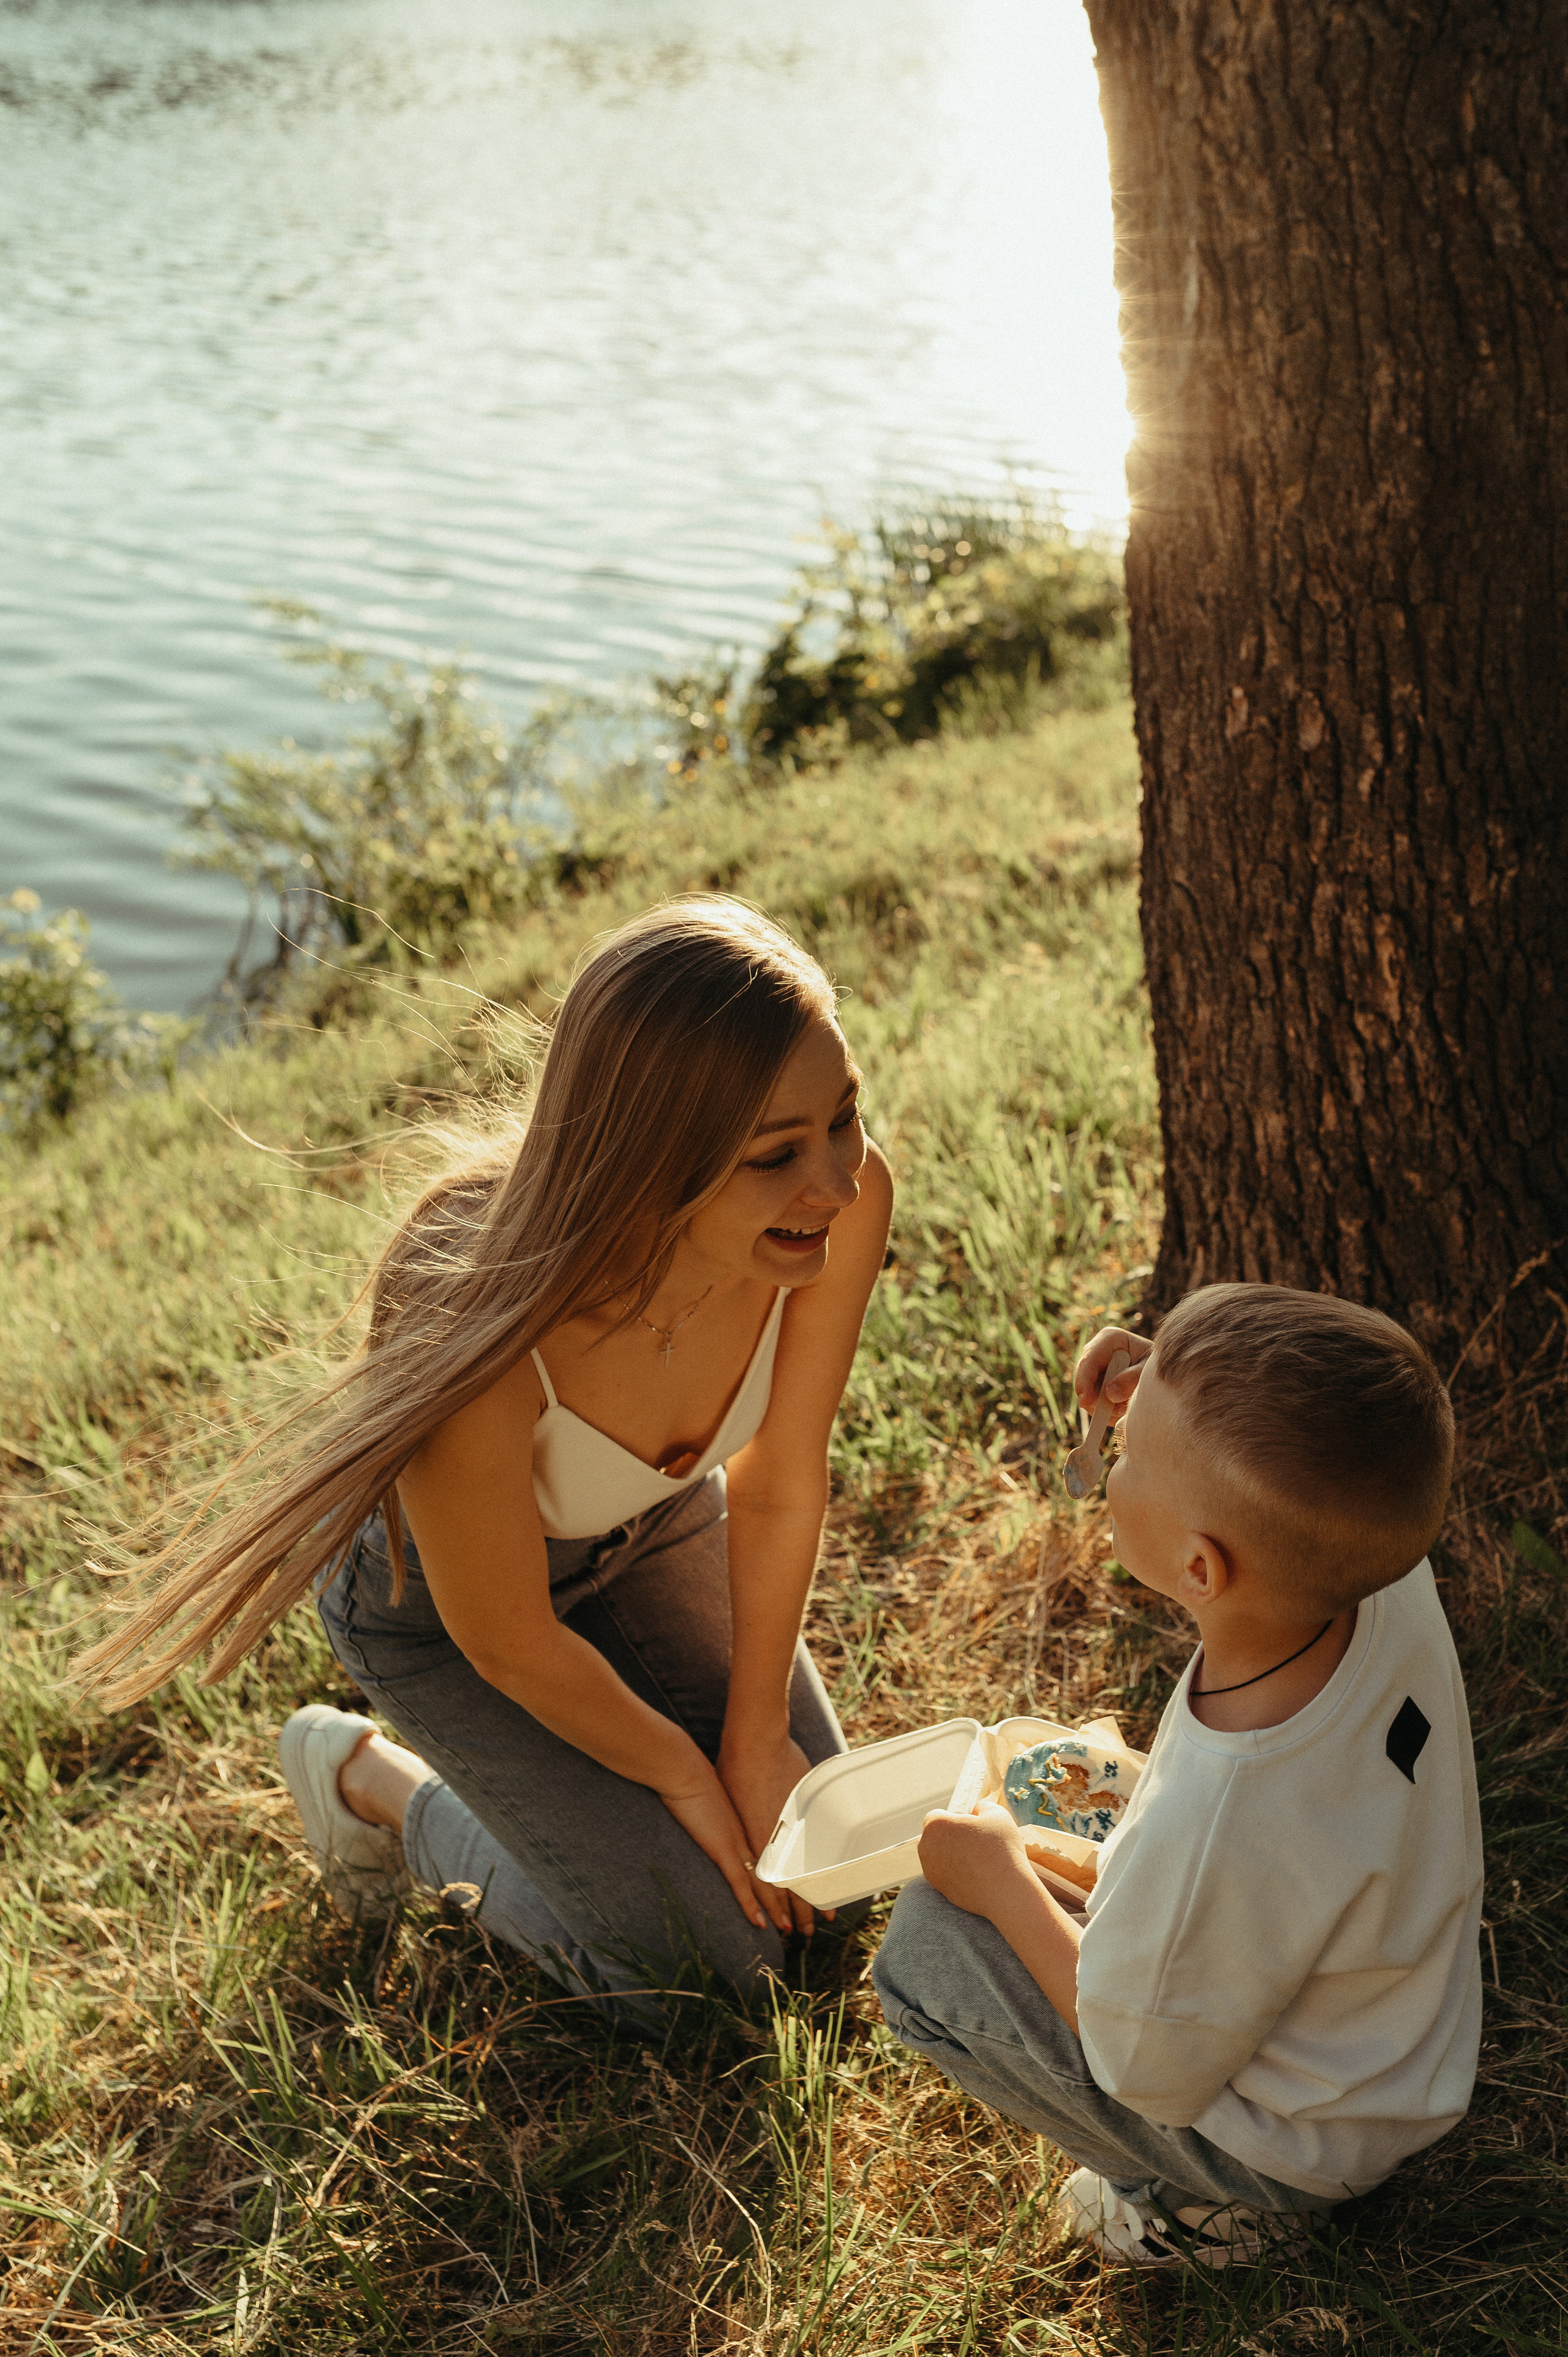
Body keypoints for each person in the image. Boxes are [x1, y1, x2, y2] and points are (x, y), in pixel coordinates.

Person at [78, 898, 892, 2013]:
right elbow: (508, 1637)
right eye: (775, 1156)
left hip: (652, 1526)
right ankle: (374, 1788)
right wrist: (685, 1775)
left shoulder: (840, 1206)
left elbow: (780, 1480)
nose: (837, 1181)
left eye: (844, 1116)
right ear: (650, 1160)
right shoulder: (474, 1302)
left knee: (831, 1881)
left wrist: (753, 1740)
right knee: (707, 1979)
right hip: (449, 1619)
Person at [873, 1283, 1483, 2264]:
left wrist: (1000, 1881)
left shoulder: (1221, 1813)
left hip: (1295, 2146)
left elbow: (1138, 2064)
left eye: (1128, 1454)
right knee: (1071, 1805)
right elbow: (1299, 1456)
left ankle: (1211, 2211)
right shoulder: (1378, 1569)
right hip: (1393, 2045)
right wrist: (1176, 1388)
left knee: (923, 1947)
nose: (1111, 1449)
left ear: (1199, 1569)